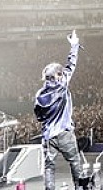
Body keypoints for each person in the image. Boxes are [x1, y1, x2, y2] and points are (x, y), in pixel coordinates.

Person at [34, 30, 82, 190]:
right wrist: (74, 45)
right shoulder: (62, 86)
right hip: (64, 132)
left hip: (48, 136)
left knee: (49, 167)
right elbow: (71, 65)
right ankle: (80, 187)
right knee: (75, 161)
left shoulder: (40, 94)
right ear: (58, 76)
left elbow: (39, 117)